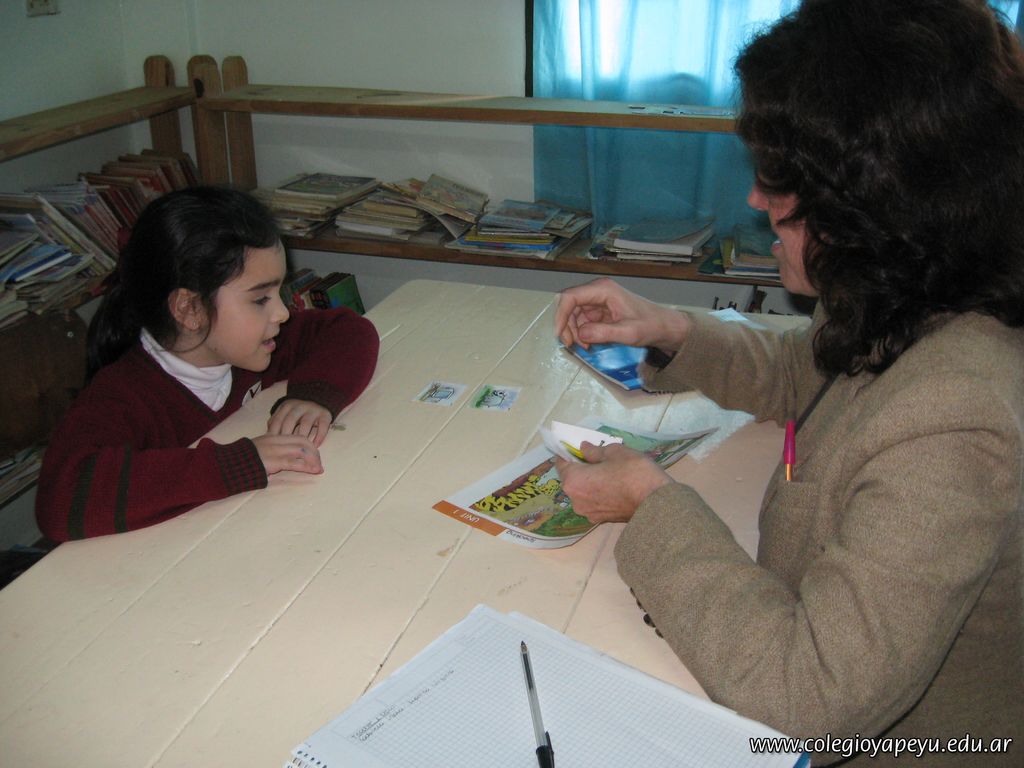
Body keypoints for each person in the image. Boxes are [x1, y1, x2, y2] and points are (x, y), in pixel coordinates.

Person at [553, 1, 1022, 765]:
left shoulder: (956, 417)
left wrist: (654, 505)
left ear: (871, 197)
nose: (755, 200)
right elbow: (809, 372)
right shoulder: (918, 287)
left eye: (780, 178)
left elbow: (808, 703)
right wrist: (669, 328)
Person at [36, 186, 380, 542]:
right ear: (190, 310)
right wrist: (239, 463)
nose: (282, 313)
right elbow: (61, 501)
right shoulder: (121, 397)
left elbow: (348, 330)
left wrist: (315, 395)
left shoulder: (251, 348)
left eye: (278, 293)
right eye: (260, 299)